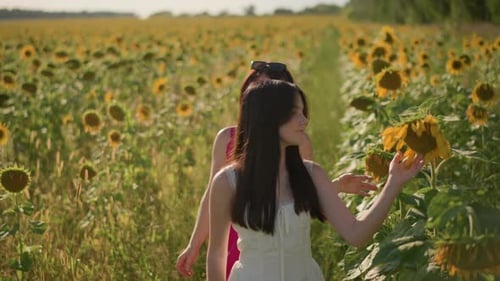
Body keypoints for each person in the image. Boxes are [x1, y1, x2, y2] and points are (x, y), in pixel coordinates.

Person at [206, 80, 424, 281]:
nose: (304, 121)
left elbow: (356, 234)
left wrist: (393, 184)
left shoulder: (312, 175)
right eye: (294, 113)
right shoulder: (227, 182)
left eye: (303, 112)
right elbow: (216, 255)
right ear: (267, 117)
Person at [176, 61, 377, 279]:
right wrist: (194, 244)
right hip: (241, 234)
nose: (302, 120)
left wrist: (333, 186)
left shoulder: (299, 144)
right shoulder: (227, 142)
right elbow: (212, 198)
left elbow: (298, 195)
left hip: (281, 238)